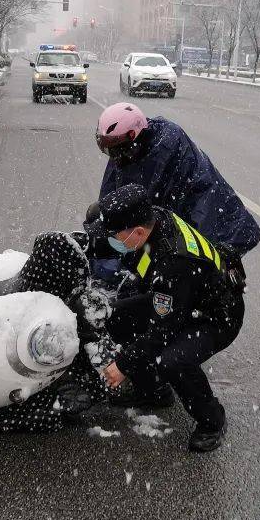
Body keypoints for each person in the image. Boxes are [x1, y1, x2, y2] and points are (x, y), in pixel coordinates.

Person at [88, 184, 245, 453]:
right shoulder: (153, 220)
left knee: (172, 359)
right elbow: (120, 251)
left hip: (215, 317)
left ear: (137, 232)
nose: (112, 239)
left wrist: (123, 365)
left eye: (115, 235)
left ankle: (212, 420)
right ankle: (154, 392)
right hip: (181, 298)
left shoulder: (174, 262)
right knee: (115, 316)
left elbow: (161, 331)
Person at [94, 103, 260, 258]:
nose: (113, 157)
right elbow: (113, 192)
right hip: (185, 212)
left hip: (208, 213)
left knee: (197, 263)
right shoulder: (125, 151)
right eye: (109, 152)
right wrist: (103, 217)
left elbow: (153, 202)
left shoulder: (165, 147)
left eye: (115, 151)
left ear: (133, 136)